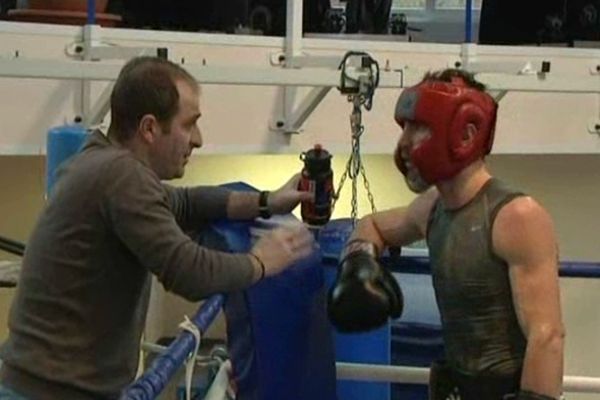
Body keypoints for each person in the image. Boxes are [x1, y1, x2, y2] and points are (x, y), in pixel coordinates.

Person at [0, 56, 315, 400]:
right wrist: (261, 262)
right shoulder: (121, 177)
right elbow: (188, 271)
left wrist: (268, 201)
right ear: (149, 128)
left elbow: (184, 203)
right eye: (188, 124)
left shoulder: (99, 159)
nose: (198, 139)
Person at [327, 69, 565, 400]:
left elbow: (547, 335)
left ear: (465, 132)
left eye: (420, 127)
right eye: (405, 127)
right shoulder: (431, 207)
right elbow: (373, 225)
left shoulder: (516, 216)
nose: (406, 143)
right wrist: (358, 261)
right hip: (454, 387)